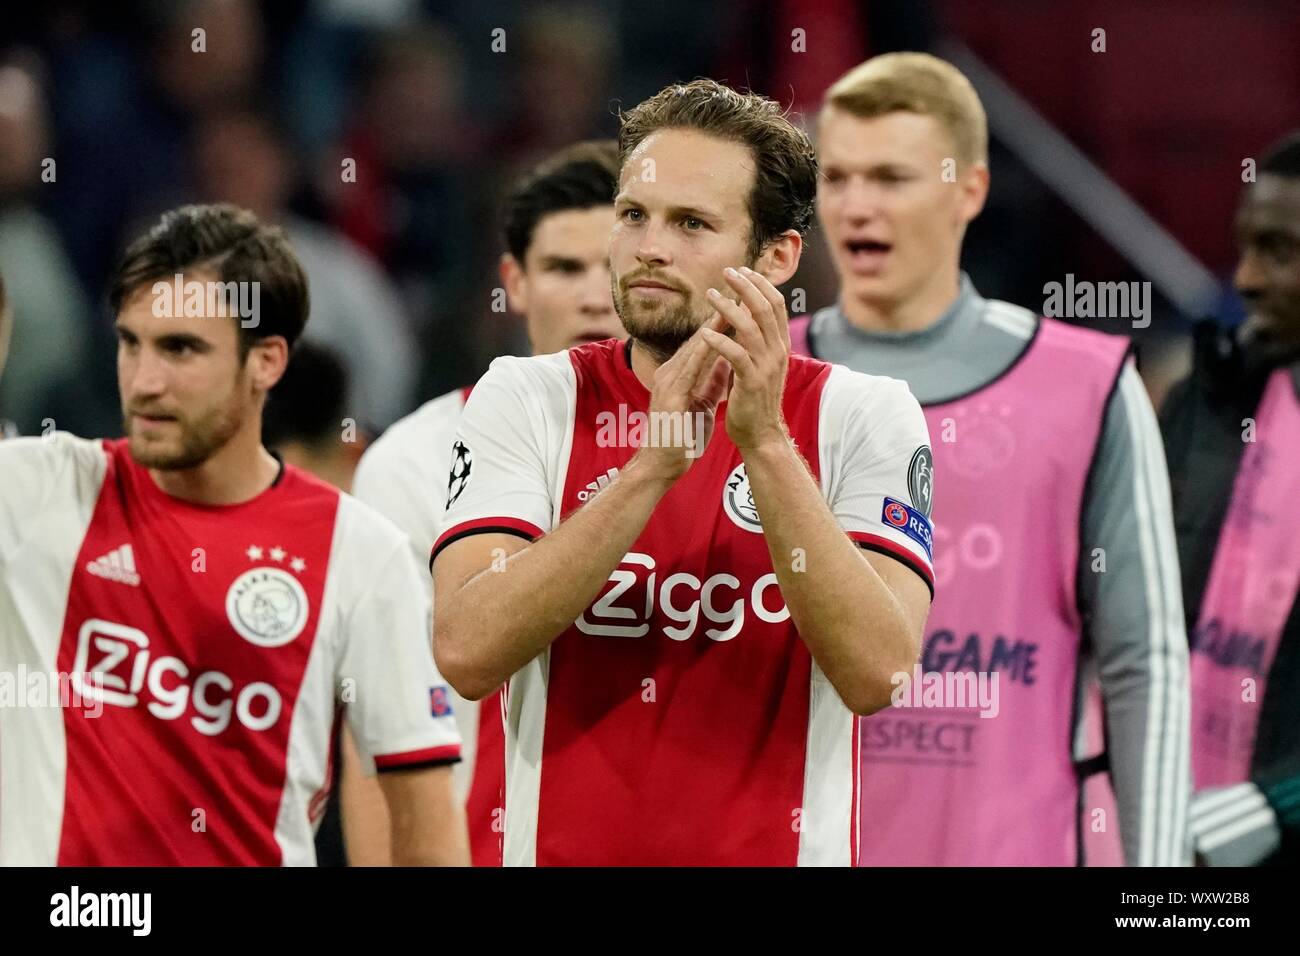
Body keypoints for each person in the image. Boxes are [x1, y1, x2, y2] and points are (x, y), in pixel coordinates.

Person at [432, 79, 935, 866]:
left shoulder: (866, 415)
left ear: (776, 257)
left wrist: (766, 443)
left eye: (691, 223)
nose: (649, 248)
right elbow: (465, 651)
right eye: (633, 215)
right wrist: (652, 466)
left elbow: (880, 673)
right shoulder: (527, 396)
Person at [787, 52, 1189, 865]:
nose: (857, 205)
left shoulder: (1088, 385)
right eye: (838, 176)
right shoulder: (756, 385)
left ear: (968, 190)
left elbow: (1145, 662)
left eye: (891, 177)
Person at [0, 204, 467, 866]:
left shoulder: (360, 553)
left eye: (181, 348)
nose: (145, 381)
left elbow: (422, 807)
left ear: (266, 361)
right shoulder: (35, 494)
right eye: (131, 343)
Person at [350, 140, 624, 866]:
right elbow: (384, 726)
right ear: (516, 281)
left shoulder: (715, 453)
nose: (595, 296)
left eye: (617, 269)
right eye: (565, 269)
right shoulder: (411, 464)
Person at [1162, 131, 1300, 866]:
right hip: (1178, 841)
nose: (1243, 278)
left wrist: (1282, 802)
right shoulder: (1207, 402)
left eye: (1280, 250)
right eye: (1246, 245)